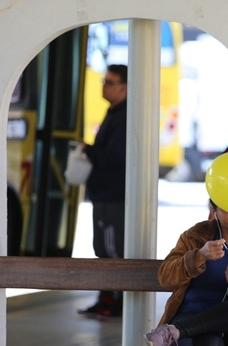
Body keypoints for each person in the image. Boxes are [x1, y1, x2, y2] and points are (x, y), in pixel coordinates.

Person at [144, 199, 228, 346]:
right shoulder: (195, 236)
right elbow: (165, 278)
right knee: (209, 341)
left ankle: (176, 331)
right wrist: (198, 256)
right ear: (214, 209)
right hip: (192, 313)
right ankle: (179, 331)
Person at [77, 64, 128, 319]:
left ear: (125, 87)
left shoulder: (123, 117)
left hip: (112, 195)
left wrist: (88, 150)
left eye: (109, 82)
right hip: (105, 195)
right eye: (104, 81)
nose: (104, 86)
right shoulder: (115, 112)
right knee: (102, 248)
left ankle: (115, 302)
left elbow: (114, 157)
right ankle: (106, 298)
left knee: (111, 250)